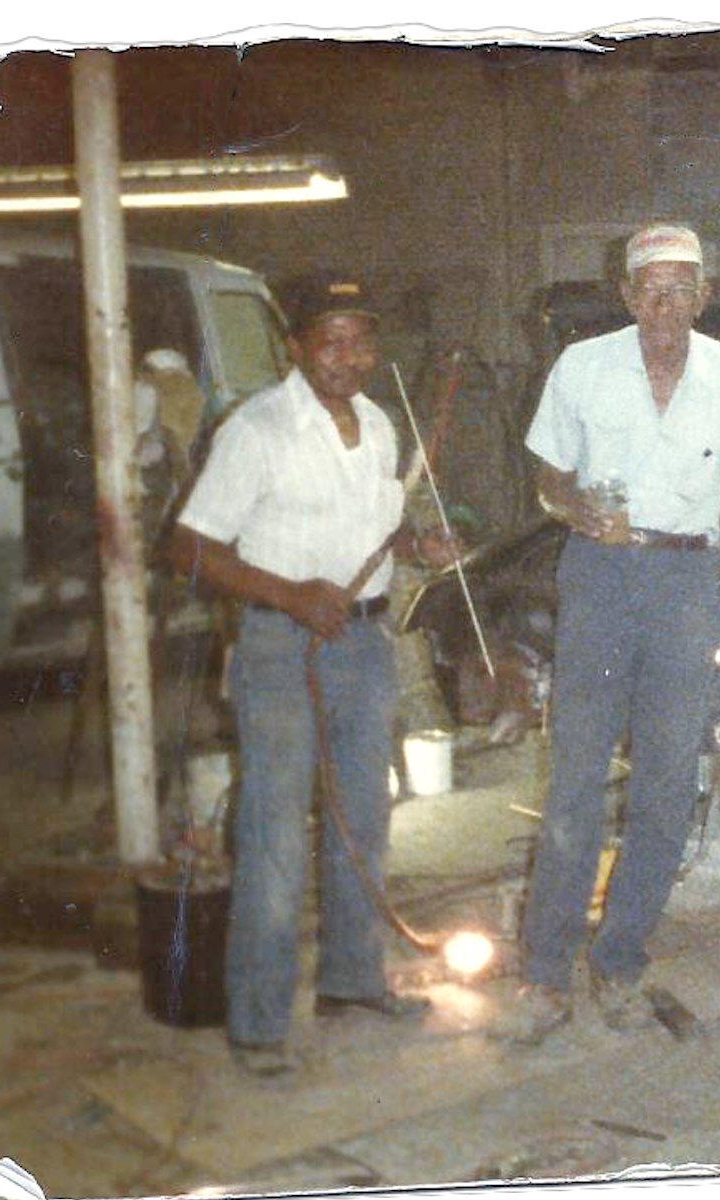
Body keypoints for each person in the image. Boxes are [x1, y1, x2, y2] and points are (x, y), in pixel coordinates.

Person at [496, 222, 720, 1044]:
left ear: (704, 296)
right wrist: (568, 505)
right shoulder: (582, 366)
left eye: (681, 288)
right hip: (598, 574)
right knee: (577, 776)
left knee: (668, 779)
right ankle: (546, 974)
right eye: (649, 288)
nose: (664, 303)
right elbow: (549, 472)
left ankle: (618, 956)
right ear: (627, 296)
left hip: (685, 578)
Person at [168, 273, 457, 1077]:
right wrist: (290, 595)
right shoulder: (257, 428)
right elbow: (188, 547)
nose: (350, 357)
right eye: (330, 339)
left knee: (363, 822)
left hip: (365, 645)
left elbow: (373, 528)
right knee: (272, 839)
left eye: (361, 339)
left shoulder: (378, 424)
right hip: (278, 646)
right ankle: (259, 1025)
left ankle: (352, 984)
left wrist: (415, 548)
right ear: (294, 347)